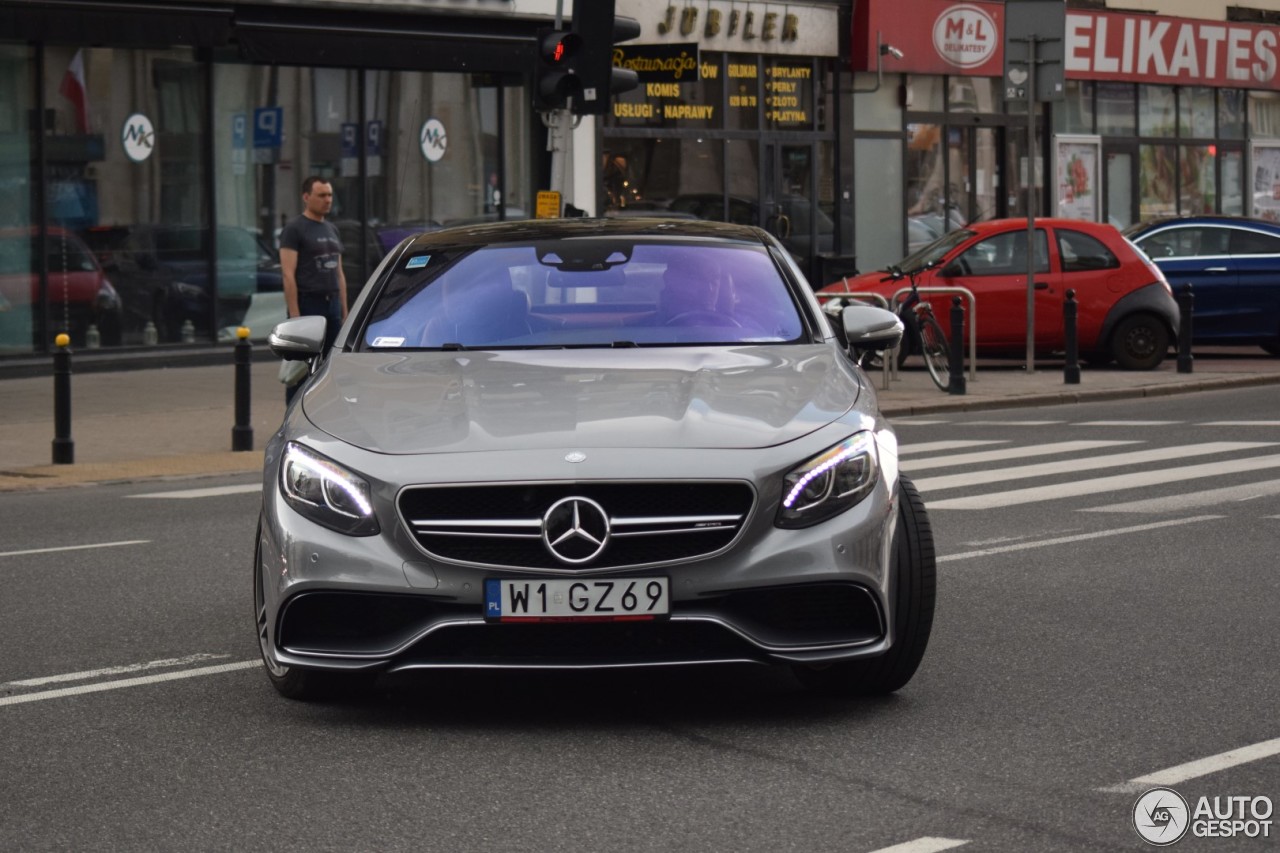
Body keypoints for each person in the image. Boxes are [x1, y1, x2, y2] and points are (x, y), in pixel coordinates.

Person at [280, 176, 348, 403]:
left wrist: (345, 311)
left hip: (332, 304)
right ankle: (291, 418)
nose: (327, 200)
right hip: (309, 304)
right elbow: (288, 274)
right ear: (306, 197)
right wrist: (295, 316)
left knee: (330, 366)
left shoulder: (332, 229)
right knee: (300, 369)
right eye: (321, 195)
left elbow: (339, 273)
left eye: (329, 195)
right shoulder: (294, 229)